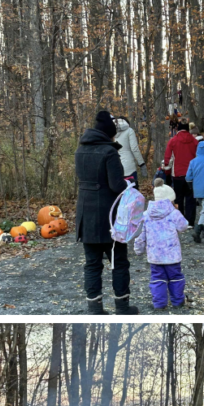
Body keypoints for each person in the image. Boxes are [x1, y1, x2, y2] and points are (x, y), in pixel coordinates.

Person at [75, 111, 138, 315]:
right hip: (110, 217)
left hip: (86, 214)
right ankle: (122, 306)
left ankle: (94, 308)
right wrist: (129, 183)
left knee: (92, 264)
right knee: (118, 262)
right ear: (109, 134)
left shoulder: (80, 150)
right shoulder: (109, 152)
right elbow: (116, 185)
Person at [134, 179, 189, 309]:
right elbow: (184, 226)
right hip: (172, 256)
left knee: (157, 279)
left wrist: (138, 248)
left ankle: (159, 304)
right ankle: (177, 301)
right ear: (170, 200)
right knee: (175, 277)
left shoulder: (146, 215)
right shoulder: (173, 213)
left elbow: (141, 234)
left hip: (155, 256)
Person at [163, 121, 199, 227]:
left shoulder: (173, 141)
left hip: (177, 174)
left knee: (178, 198)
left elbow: (168, 159)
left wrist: (167, 173)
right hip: (191, 175)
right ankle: (190, 222)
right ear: (188, 129)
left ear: (178, 129)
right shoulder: (194, 142)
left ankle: (180, 221)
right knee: (191, 198)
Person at [114, 117, 147, 185]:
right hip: (129, 168)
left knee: (121, 193)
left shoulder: (111, 132)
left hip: (116, 166)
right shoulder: (129, 131)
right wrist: (141, 164)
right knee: (132, 192)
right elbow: (134, 149)